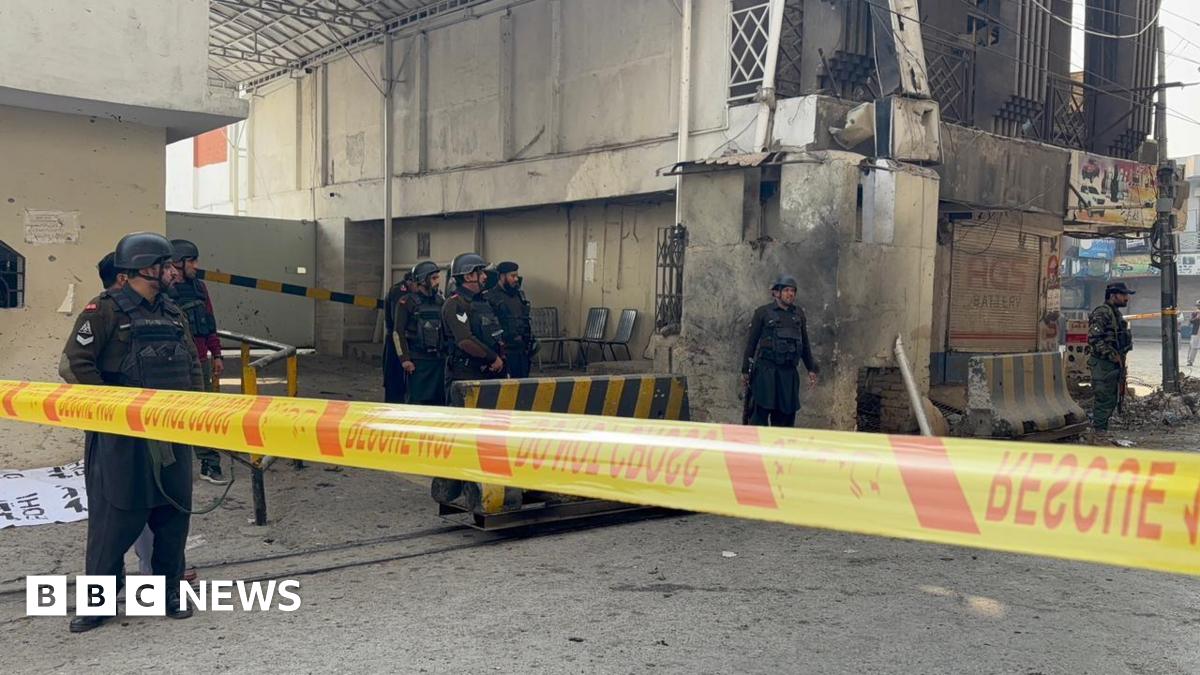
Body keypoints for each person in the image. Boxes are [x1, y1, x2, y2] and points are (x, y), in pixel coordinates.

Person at [61, 232, 202, 632]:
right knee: (114, 518)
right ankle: (98, 602)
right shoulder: (103, 310)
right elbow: (74, 366)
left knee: (174, 515)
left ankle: (170, 591)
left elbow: (191, 368)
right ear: (145, 268)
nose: (174, 271)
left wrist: (201, 413)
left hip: (171, 433)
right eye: (167, 265)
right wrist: (114, 409)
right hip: (122, 438)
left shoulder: (174, 312)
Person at [433, 253, 505, 505]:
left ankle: (478, 483)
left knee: (483, 434)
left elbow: (494, 333)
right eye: (480, 272)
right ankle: (452, 486)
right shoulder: (455, 305)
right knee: (462, 434)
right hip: (464, 377)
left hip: (487, 376)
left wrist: (499, 358)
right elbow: (465, 341)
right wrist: (492, 358)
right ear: (467, 276)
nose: (485, 276)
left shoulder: (483, 303)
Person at [166, 239, 228, 485]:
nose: (196, 265)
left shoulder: (200, 288)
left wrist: (218, 354)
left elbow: (209, 322)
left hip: (200, 360)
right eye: (192, 260)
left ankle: (209, 463)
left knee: (204, 413)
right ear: (178, 263)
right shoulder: (162, 291)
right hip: (171, 362)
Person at [740, 275, 818, 427]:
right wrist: (745, 371)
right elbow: (751, 343)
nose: (791, 294)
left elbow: (805, 344)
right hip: (765, 372)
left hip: (788, 374)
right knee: (759, 416)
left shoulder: (798, 315)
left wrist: (811, 368)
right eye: (787, 290)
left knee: (785, 419)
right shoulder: (762, 313)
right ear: (777, 293)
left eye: (793, 291)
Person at [394, 261, 445, 405]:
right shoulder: (406, 302)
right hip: (418, 362)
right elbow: (398, 332)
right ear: (423, 280)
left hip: (438, 361)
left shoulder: (440, 301)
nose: (437, 282)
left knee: (439, 403)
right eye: (434, 278)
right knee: (417, 402)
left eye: (437, 278)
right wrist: (405, 359)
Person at [1088, 281, 1134, 436]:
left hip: (1113, 364)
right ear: (1113, 295)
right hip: (1103, 364)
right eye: (1123, 295)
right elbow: (1094, 339)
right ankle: (1098, 435)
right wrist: (1111, 355)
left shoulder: (1115, 313)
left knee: (1111, 399)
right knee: (1103, 399)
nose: (1126, 298)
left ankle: (1101, 432)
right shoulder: (1102, 312)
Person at [485, 261, 535, 379]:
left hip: (521, 351)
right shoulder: (491, 297)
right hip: (504, 353)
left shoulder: (518, 296)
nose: (516, 279)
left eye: (517, 276)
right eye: (512, 276)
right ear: (502, 277)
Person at [382, 271, 414, 403]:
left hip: (406, 340)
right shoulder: (399, 292)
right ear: (410, 282)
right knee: (394, 380)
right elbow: (398, 323)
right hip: (396, 339)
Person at [1188, 300, 1200, 367]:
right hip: (1196, 332)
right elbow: (1191, 321)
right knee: (1193, 347)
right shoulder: (1194, 313)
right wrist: (1197, 318)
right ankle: (1190, 361)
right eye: (1198, 305)